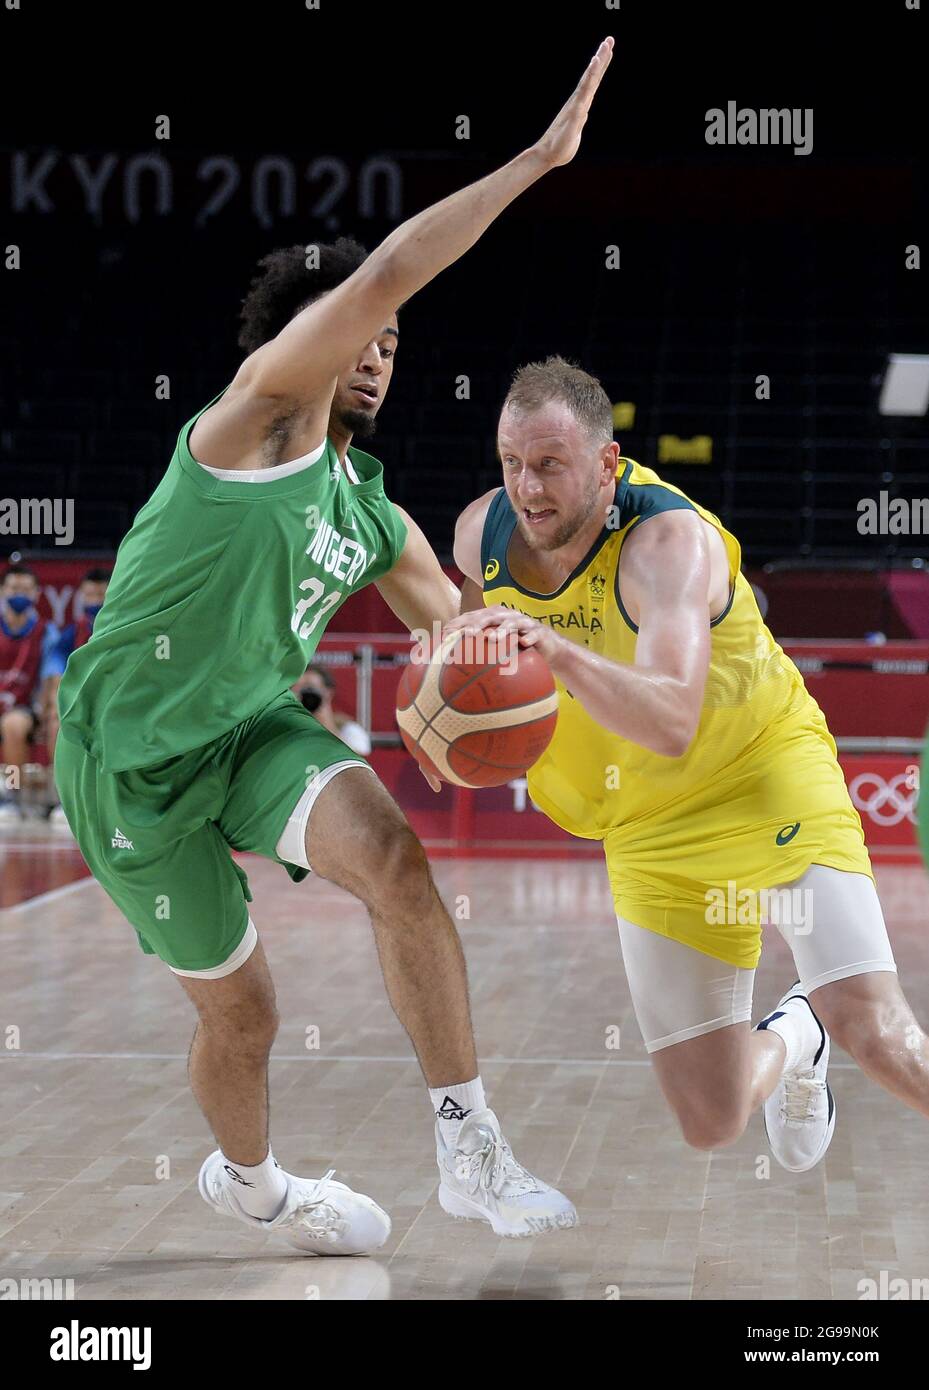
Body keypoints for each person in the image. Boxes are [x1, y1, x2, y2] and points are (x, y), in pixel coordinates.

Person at [54, 43, 614, 1254]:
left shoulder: (371, 514)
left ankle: (469, 1142)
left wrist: (603, 687)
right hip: (131, 762)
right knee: (245, 1016)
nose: (379, 349)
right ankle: (254, 1185)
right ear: (308, 337)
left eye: (395, 343)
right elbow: (392, 268)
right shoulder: (252, 417)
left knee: (397, 862)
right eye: (362, 332)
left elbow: (469, 630)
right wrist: (534, 161)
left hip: (252, 729)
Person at [449, 355, 929, 1172]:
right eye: (512, 463)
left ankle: (827, 1020)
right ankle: (795, 1034)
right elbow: (473, 666)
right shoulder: (480, 534)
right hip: (645, 830)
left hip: (760, 781)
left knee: (875, 1029)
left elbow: (670, 718)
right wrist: (453, 729)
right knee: (711, 1120)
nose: (527, 489)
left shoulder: (668, 542)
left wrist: (557, 651)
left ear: (605, 464)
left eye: (550, 465)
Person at [43, 568, 111, 826]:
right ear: (81, 597)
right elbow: (54, 670)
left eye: (101, 594)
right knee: (55, 720)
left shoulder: (124, 626)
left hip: (113, 703)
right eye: (90, 594)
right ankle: (64, 799)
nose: (96, 600)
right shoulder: (72, 632)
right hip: (80, 704)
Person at [0, 564, 61, 821]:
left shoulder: (47, 632)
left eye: (26, 589)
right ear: (3, 590)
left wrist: (47, 709)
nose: (19, 594)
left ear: (37, 594)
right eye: (14, 588)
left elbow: (52, 680)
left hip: (24, 709)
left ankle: (11, 798)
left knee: (13, 725)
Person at [292, 662, 371, 756]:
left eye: (309, 688)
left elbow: (357, 761)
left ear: (328, 693)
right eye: (296, 688)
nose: (302, 695)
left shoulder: (349, 730)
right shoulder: (286, 729)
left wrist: (326, 723)